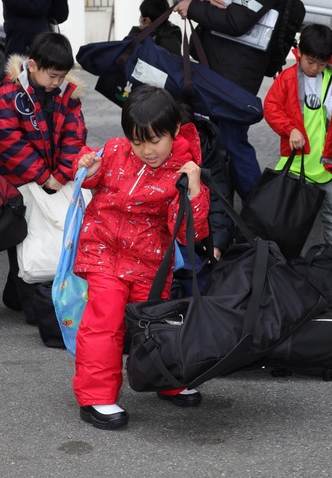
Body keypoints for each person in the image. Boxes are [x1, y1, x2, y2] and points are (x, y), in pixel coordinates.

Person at [71, 85, 210, 430]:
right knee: (103, 324)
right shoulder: (117, 150)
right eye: (137, 141)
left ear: (175, 130)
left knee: (154, 325)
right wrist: (89, 166)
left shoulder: (183, 170)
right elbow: (92, 175)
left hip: (150, 264)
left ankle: (167, 379)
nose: (146, 150)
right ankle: (97, 397)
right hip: (102, 252)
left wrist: (193, 189)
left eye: (154, 140)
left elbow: (189, 233)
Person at [174, 0, 283, 200]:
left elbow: (237, 21)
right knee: (220, 141)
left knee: (232, 141)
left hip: (237, 73)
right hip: (219, 66)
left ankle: (260, 214)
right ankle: (232, 214)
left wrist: (196, 7)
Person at [0, 31, 88, 322]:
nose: (57, 82)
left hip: (54, 180)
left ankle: (20, 295)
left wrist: (60, 174)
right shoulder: (8, 94)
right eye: (52, 75)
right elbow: (7, 140)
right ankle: (32, 304)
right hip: (18, 183)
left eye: (62, 76)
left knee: (46, 239)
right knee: (22, 238)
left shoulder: (68, 97)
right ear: (32, 66)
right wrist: (44, 176)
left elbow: (76, 136)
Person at [262, 23, 332, 253]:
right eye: (310, 61)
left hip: (329, 164)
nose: (315, 68)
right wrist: (290, 130)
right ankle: (295, 266)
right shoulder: (287, 78)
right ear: (299, 53)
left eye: (322, 63)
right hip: (297, 165)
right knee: (293, 222)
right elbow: (271, 107)